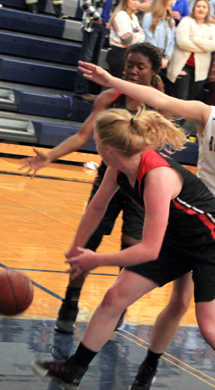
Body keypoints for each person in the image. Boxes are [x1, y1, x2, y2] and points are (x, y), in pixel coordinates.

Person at [73, 0, 215, 389]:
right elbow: (158, 97)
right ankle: (149, 366)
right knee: (180, 301)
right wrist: (113, 81)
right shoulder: (207, 115)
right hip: (195, 219)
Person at [32, 104, 215, 390]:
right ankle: (74, 369)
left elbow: (149, 250)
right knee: (114, 297)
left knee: (211, 328)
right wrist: (76, 248)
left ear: (108, 148)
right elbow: (97, 208)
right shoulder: (116, 167)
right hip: (176, 240)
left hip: (212, 243)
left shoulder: (156, 176)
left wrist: (96, 259)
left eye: (96, 143)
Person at [19, 43, 164, 335]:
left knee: (132, 247)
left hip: (143, 185)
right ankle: (69, 304)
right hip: (109, 180)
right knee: (87, 244)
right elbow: (83, 135)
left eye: (140, 67)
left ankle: (118, 305)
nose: (133, 71)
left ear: (153, 71)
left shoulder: (159, 103)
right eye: (129, 65)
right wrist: (50, 155)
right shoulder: (109, 98)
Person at [167, 0, 215, 101]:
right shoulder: (186, 21)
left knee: (190, 100)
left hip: (200, 70)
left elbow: (214, 45)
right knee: (181, 99)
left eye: (204, 7)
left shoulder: (212, 27)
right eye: (198, 6)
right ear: (194, 8)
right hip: (183, 66)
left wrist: (195, 39)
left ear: (208, 10)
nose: (201, 9)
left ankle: (184, 118)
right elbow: (182, 43)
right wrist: (204, 47)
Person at [72, 0, 109, 102]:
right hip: (92, 25)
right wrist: (96, 17)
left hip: (103, 26)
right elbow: (84, 2)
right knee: (86, 59)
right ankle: (80, 91)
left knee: (93, 60)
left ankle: (87, 90)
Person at [106, 0, 145, 79]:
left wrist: (135, 36)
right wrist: (137, 36)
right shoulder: (121, 15)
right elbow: (127, 39)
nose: (136, 3)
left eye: (138, 0)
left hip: (129, 54)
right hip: (118, 55)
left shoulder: (133, 17)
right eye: (133, 0)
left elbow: (143, 36)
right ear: (126, 0)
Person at [142, 0, 175, 93]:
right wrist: (158, 58)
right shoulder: (149, 17)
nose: (172, 2)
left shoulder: (171, 21)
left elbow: (171, 43)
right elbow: (149, 38)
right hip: (150, 58)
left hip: (164, 62)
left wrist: (167, 59)